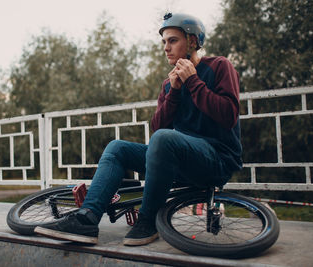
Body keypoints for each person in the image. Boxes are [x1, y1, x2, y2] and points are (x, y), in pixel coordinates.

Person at [35, 13, 242, 246]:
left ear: (192, 41)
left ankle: (147, 220)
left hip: (216, 160)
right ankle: (87, 218)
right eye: (164, 42)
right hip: (179, 160)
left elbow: (228, 116)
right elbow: (158, 129)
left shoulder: (219, 66)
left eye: (172, 41)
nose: (166, 48)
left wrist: (193, 82)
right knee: (117, 148)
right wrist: (173, 92)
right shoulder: (168, 83)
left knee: (165, 139)